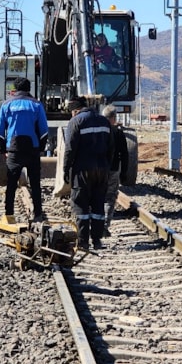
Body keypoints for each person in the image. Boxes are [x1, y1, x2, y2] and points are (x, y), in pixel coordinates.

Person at [0, 77, 49, 223]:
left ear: (15, 89)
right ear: (29, 89)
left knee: (11, 184)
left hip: (13, 150)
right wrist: (41, 149)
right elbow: (44, 131)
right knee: (35, 184)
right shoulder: (37, 105)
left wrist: (3, 150)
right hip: (32, 149)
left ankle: (9, 214)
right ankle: (38, 214)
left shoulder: (6, 105)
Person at [63, 97, 114, 251]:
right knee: (98, 203)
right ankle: (97, 240)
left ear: (75, 110)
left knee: (81, 204)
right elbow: (111, 147)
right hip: (102, 169)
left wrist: (66, 169)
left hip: (82, 170)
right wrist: (107, 166)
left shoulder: (76, 122)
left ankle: (83, 241)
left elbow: (70, 149)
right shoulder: (104, 121)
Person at [101, 104, 129, 238]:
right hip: (113, 169)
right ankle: (105, 226)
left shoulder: (98, 131)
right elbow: (125, 154)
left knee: (97, 197)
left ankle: (95, 225)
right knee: (110, 198)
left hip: (98, 170)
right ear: (113, 117)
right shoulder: (118, 132)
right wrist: (124, 173)